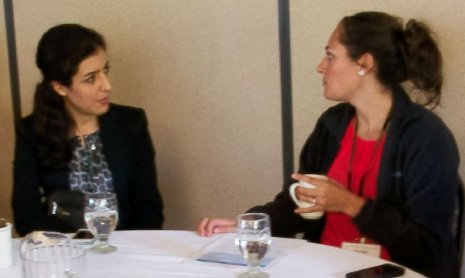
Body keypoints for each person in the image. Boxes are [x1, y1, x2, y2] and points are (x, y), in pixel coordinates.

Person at [197, 11, 460, 277]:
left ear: (364, 63)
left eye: (331, 56)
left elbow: (429, 246)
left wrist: (350, 204)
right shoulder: (332, 125)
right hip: (323, 270)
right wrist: (247, 225)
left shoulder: (426, 138)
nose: (321, 66)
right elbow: (296, 206)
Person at [12, 24, 164, 236]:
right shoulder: (31, 131)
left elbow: (149, 208)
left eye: (105, 71)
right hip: (64, 251)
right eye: (91, 78)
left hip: (127, 250)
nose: (107, 85)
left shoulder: (131, 123)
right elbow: (26, 216)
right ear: (60, 87)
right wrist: (77, 243)